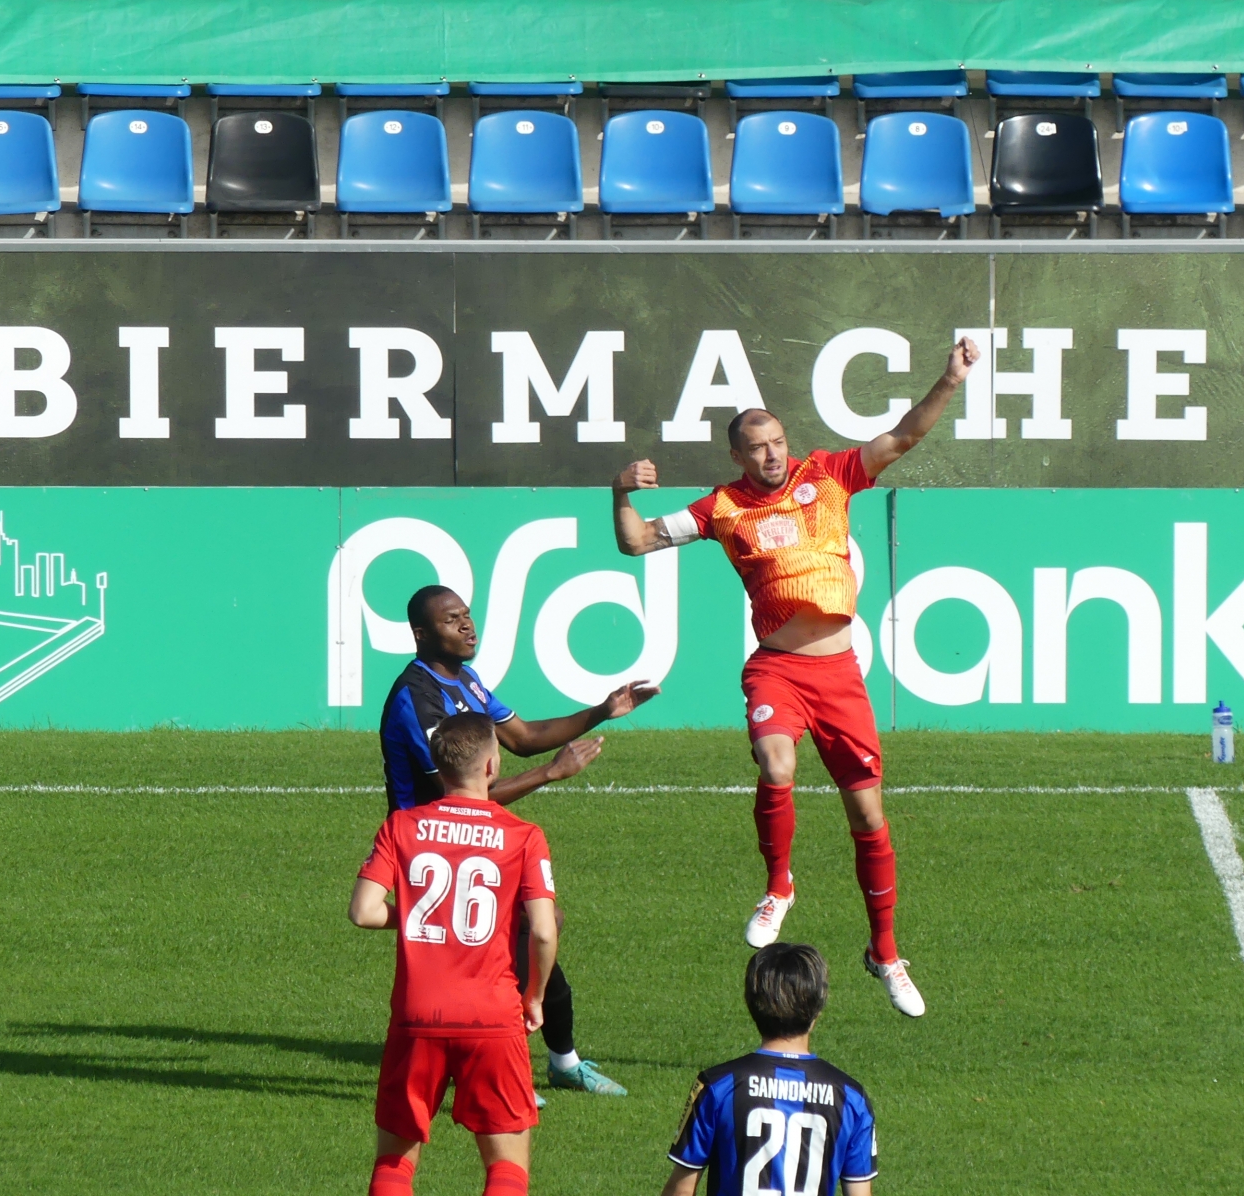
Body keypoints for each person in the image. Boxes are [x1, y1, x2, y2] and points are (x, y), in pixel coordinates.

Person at [611, 338, 979, 1018]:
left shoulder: (830, 474)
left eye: (777, 442)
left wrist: (950, 380)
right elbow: (635, 541)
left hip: (838, 674)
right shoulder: (720, 509)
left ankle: (885, 953)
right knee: (775, 764)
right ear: (737, 456)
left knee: (868, 816)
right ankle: (779, 887)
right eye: (756, 448)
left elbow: (904, 435)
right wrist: (619, 490)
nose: (771, 455)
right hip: (777, 669)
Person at [381, 583, 656, 1095]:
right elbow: (458, 790)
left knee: (527, 934)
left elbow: (524, 738)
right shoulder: (414, 698)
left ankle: (539, 1061)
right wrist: (550, 774)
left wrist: (603, 709)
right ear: (421, 633)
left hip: (471, 835)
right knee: (514, 938)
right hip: (429, 843)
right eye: (451, 619)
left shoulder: (467, 681)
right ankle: (512, 1066)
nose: (467, 625)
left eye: (466, 614)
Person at [350, 714, 560, 1196]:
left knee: (393, 1165)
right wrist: (534, 996)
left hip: (416, 1016)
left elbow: (363, 912)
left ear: (440, 767)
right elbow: (543, 931)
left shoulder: (401, 825)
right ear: (491, 765)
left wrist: (420, 917)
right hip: (493, 1015)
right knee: (506, 1168)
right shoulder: (524, 835)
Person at [660, 943, 877, 1196]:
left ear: (750, 1003)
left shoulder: (718, 1086)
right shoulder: (851, 1098)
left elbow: (682, 1189)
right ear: (818, 1008)